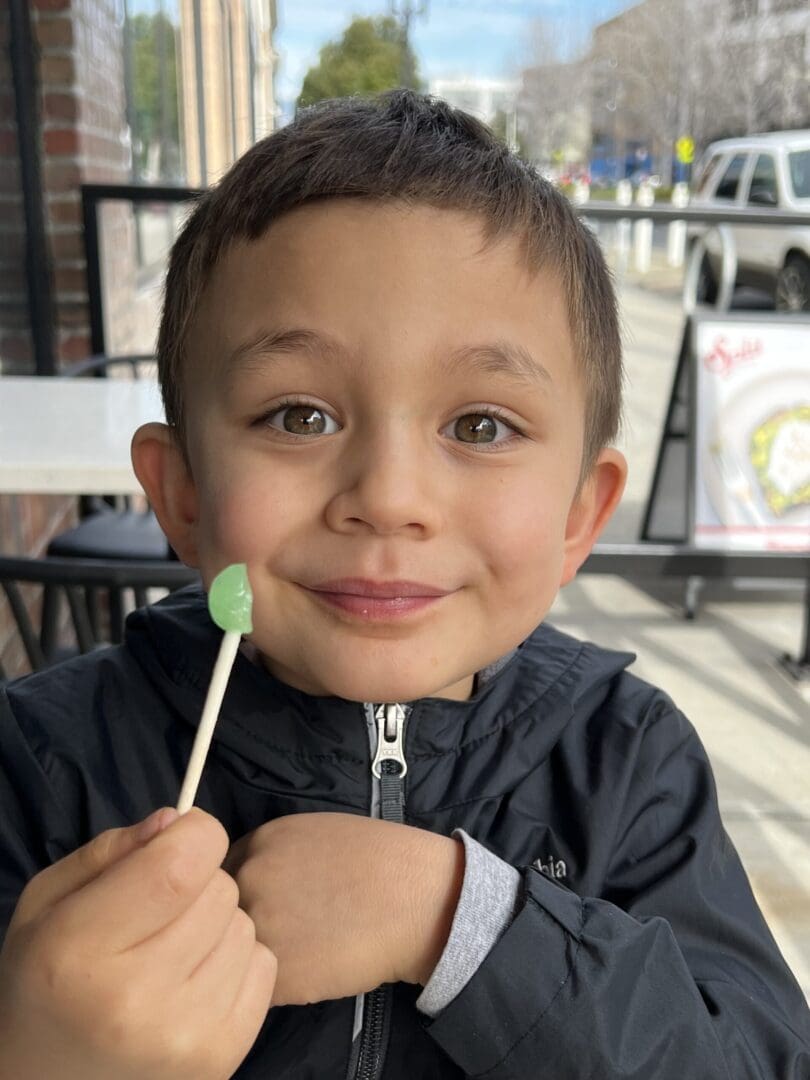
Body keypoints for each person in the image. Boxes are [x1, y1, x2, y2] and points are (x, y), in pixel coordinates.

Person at [0, 91, 808, 1080]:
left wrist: (455, 922)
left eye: (479, 426)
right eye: (298, 417)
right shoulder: (41, 766)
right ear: (184, 495)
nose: (387, 500)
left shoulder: (628, 765)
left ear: (576, 520)